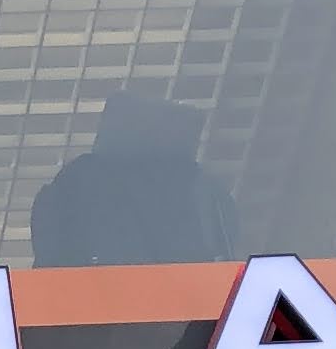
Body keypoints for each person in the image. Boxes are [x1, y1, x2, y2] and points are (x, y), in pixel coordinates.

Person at [26, 92, 238, 266]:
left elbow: (51, 250)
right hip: (186, 298)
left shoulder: (80, 176)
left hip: (88, 296)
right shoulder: (204, 187)